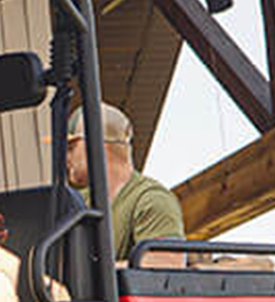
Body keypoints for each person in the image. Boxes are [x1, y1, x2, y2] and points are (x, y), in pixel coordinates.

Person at [62, 102, 187, 266]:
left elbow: (166, 266)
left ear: (97, 143)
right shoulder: (77, 204)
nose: (66, 157)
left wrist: (92, 275)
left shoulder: (150, 200)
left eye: (71, 147)